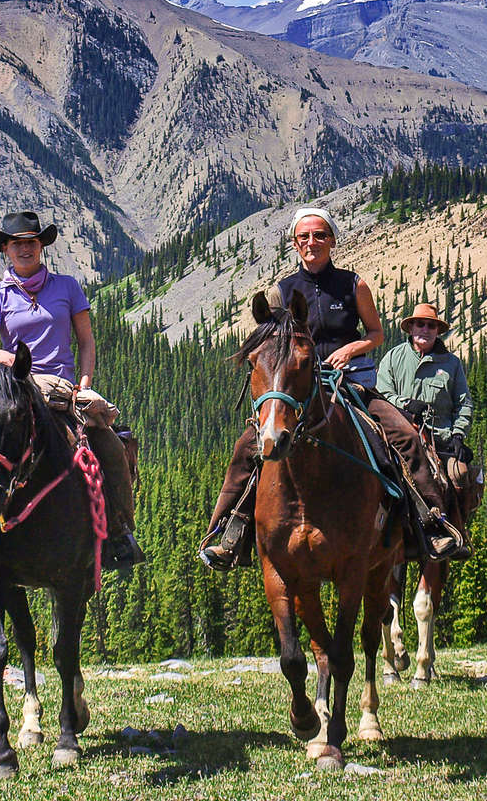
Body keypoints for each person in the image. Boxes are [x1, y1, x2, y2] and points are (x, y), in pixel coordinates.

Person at [200, 208, 465, 569]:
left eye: (320, 235)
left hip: (350, 381)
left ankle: (430, 521)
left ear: (332, 241)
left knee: (404, 436)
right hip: (298, 387)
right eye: (304, 236)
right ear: (295, 243)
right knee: (248, 446)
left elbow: (376, 334)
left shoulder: (354, 284)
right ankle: (228, 532)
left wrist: (349, 349)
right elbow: (272, 345)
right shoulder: (281, 291)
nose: (312, 242)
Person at [0, 211, 144, 571]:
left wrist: (84, 384)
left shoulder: (67, 287)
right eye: (16, 244)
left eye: (31, 242)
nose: (24, 249)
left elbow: (86, 342)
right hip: (12, 387)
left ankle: (120, 531)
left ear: (41, 246)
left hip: (61, 388)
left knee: (111, 449)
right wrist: (11, 361)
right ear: (6, 250)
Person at [376, 302, 472, 455]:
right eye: (420, 324)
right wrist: (406, 404)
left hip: (441, 439)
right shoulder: (393, 357)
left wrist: (458, 435)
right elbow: (381, 395)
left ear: (437, 331)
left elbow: (463, 404)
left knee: (459, 469)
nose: (425, 330)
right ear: (411, 328)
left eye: (431, 326)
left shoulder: (452, 363)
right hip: (398, 436)